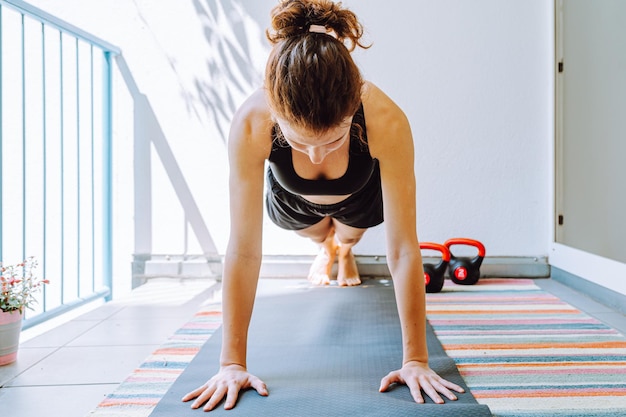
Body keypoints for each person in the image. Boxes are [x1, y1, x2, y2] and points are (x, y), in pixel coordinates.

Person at [182, 0, 465, 411]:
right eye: (299, 142)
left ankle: (343, 249)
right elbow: (243, 250)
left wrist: (416, 360)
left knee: (348, 232)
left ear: (354, 108)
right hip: (292, 199)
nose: (316, 156)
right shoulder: (250, 122)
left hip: (359, 196)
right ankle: (326, 248)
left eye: (332, 141)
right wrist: (231, 364)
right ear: (275, 115)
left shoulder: (386, 119)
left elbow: (404, 249)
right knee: (316, 231)